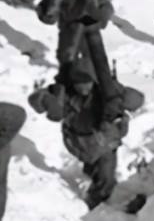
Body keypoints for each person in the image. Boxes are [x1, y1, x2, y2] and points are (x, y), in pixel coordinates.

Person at [28, 62, 144, 211]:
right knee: (92, 166)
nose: (83, 88)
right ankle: (95, 184)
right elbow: (36, 100)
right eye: (78, 84)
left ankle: (97, 204)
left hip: (105, 142)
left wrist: (122, 93)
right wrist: (44, 100)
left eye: (87, 83)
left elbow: (137, 101)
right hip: (79, 142)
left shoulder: (105, 92)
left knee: (105, 176)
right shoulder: (66, 92)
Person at [35, 0, 114, 82]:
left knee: (92, 61)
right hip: (67, 27)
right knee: (66, 61)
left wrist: (101, 16)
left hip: (87, 26)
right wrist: (46, 16)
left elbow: (106, 6)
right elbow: (44, 9)